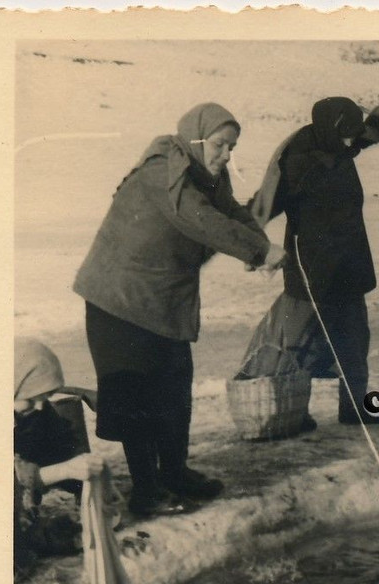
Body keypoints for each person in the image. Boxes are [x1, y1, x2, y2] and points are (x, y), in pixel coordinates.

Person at [73, 102, 285, 516]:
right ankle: (147, 492)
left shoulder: (205, 174)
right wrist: (259, 251)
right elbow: (200, 220)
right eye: (221, 145)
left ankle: (173, 472)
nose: (227, 156)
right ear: (197, 139)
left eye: (232, 147)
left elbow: (231, 212)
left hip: (163, 300)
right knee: (139, 396)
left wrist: (257, 245)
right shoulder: (163, 171)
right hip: (120, 301)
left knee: (174, 388)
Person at [238, 96, 379, 427]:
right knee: (299, 344)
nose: (351, 142)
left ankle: (355, 407)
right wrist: (246, 241)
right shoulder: (296, 160)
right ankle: (295, 411)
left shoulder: (338, 141)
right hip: (310, 267)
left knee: (354, 338)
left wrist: (378, 129)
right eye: (346, 135)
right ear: (330, 129)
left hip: (349, 262)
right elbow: (265, 203)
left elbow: (358, 138)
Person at [14, 338, 106, 581]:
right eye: (31, 397)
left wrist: (88, 482)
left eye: (45, 396)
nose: (40, 405)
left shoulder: (27, 410)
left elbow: (62, 446)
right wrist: (66, 470)